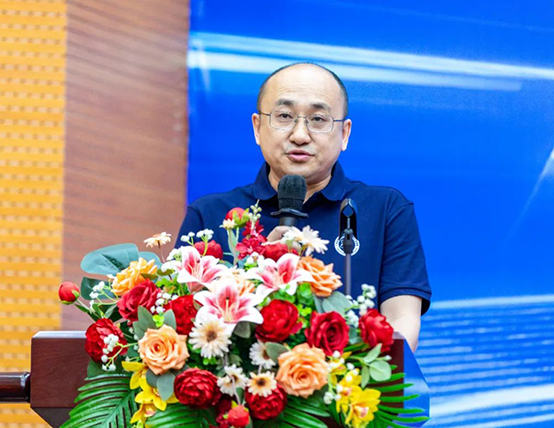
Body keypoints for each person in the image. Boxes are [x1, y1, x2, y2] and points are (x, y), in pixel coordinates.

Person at [176, 63, 430, 351]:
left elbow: (401, 322)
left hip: (349, 379)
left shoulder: (386, 210)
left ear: (345, 133)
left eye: (318, 119)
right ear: (257, 128)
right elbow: (184, 323)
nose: (300, 135)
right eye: (284, 116)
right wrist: (255, 267)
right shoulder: (209, 215)